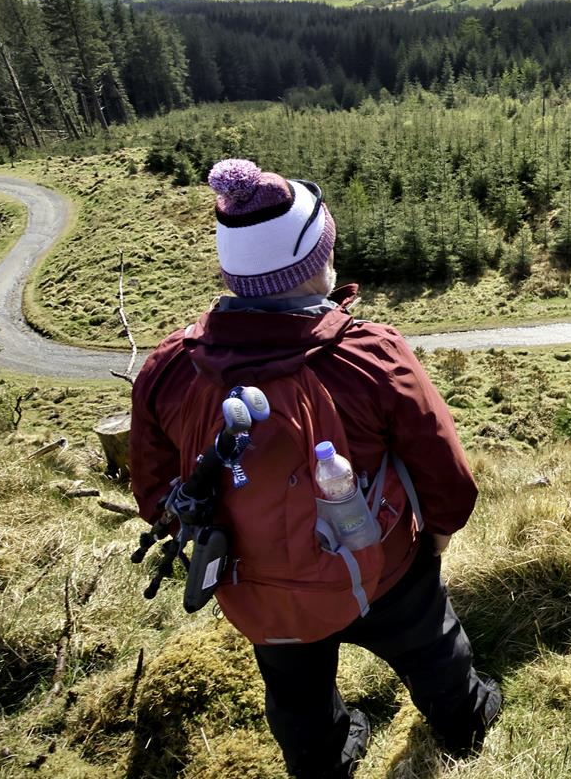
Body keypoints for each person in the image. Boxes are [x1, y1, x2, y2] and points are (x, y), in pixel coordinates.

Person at [131, 158, 501, 778]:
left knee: (294, 690)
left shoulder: (168, 369)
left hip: (259, 588)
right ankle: (465, 726)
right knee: (433, 651)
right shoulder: (370, 355)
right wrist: (431, 544)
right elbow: (449, 479)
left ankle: (323, 761)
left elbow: (154, 493)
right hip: (383, 564)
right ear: (315, 267)